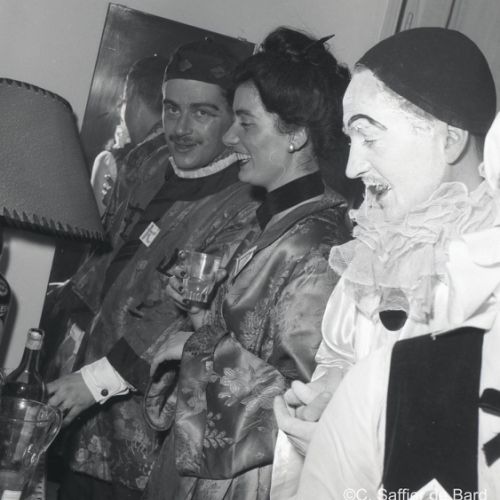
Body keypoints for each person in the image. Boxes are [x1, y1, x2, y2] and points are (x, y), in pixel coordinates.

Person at [272, 27, 498, 498]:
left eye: (369, 137)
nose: (352, 167)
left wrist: (348, 450)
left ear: (451, 140)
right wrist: (327, 397)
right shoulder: (380, 245)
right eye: (350, 138)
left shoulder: (487, 268)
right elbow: (341, 355)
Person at [42, 38, 258, 500]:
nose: (180, 127)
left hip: (138, 433)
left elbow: (179, 315)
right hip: (73, 400)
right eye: (171, 108)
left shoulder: (244, 205)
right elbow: (108, 255)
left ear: (233, 119)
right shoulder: (151, 158)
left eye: (202, 112)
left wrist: (95, 381)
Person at [141, 26, 352, 500]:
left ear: (296, 134)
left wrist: (195, 345)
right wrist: (202, 314)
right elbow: (251, 339)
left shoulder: (320, 247)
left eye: (246, 123)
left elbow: (299, 398)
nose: (230, 136)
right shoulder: (278, 218)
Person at [90, 55, 168, 216]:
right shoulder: (181, 152)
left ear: (132, 92)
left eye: (124, 99)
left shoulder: (124, 162)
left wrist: (115, 207)